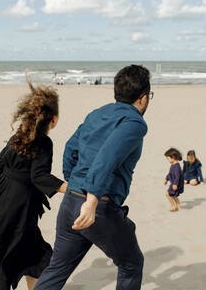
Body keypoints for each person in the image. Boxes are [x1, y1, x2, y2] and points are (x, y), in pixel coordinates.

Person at [33, 65, 153, 290]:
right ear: (143, 98)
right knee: (131, 264)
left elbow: (71, 149)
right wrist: (91, 200)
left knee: (57, 270)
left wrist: (75, 186)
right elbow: (107, 157)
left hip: (71, 203)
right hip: (98, 208)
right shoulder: (135, 123)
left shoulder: (97, 114)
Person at [0, 82, 68, 290]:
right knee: (4, 265)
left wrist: (7, 193)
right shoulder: (44, 142)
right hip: (15, 220)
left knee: (28, 259)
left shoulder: (17, 138)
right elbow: (39, 176)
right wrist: (71, 188)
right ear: (53, 119)